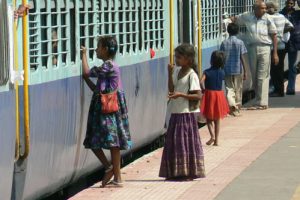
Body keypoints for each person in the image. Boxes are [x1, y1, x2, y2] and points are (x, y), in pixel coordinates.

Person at [81, 36, 132, 187]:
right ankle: (113, 172)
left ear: (104, 49)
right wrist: (86, 79)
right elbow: (96, 88)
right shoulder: (107, 68)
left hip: (109, 108)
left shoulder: (109, 66)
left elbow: (88, 72)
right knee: (98, 141)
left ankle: (115, 174)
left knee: (111, 141)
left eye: (98, 47)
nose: (96, 50)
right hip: (102, 107)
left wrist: (83, 54)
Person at [159, 44, 205, 180]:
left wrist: (181, 95)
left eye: (179, 57)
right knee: (174, 143)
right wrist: (169, 73)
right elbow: (171, 89)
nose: (176, 60)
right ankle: (175, 172)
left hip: (186, 114)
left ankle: (186, 172)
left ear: (188, 59)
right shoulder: (177, 71)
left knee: (184, 144)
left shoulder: (192, 75)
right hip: (175, 112)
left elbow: (199, 95)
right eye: (176, 57)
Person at [232, 1, 278, 109]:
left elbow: (274, 35)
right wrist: (228, 20)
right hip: (252, 48)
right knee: (255, 74)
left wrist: (275, 53)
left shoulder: (268, 18)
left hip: (265, 48)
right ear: (255, 9)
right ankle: (258, 99)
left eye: (265, 8)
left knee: (263, 75)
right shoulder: (247, 16)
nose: (265, 10)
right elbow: (236, 19)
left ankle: (262, 102)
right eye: (262, 8)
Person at [200, 51, 229, 146]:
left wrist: (203, 89)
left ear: (211, 60)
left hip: (209, 95)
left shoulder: (207, 72)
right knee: (217, 119)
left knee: (208, 118)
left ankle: (212, 136)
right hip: (219, 95)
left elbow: (201, 81)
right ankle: (216, 140)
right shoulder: (222, 72)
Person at [220, 23, 248, 116]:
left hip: (227, 69)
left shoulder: (224, 43)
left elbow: (221, 58)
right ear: (238, 31)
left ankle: (232, 107)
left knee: (229, 89)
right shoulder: (240, 42)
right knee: (238, 89)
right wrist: (245, 71)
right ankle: (236, 108)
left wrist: (221, 69)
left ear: (228, 31)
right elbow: (242, 57)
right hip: (238, 69)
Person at [266, 2, 294, 97]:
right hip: (281, 46)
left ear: (274, 8)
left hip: (274, 47)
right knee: (279, 69)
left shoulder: (268, 18)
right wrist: (282, 33)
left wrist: (279, 33)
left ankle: (278, 91)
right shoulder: (282, 16)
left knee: (274, 70)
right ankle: (279, 90)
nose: (267, 9)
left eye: (269, 7)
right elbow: (291, 26)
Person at [280, 0, 300, 95]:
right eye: (288, 3)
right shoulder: (280, 14)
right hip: (282, 42)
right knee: (279, 66)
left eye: (292, 4)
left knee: (292, 66)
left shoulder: (297, 13)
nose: (289, 5)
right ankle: (279, 88)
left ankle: (291, 88)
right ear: (285, 3)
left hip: (294, 42)